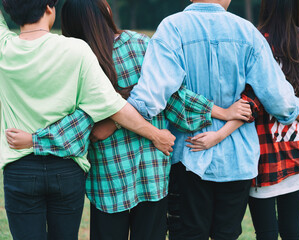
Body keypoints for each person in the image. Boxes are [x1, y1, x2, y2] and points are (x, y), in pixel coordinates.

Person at [3, 0, 251, 239]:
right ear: (108, 10)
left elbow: (86, 124)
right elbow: (174, 96)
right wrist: (221, 112)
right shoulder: (141, 44)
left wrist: (37, 140)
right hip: (152, 170)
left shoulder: (76, 57)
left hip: (108, 177)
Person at [125, 0, 299, 239]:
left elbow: (151, 96)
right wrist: (296, 110)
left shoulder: (172, 28)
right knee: (227, 234)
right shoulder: (247, 31)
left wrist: (121, 114)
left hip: (188, 153)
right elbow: (279, 100)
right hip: (237, 158)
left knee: (188, 233)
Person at [0, 0, 175, 239]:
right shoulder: (76, 50)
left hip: (19, 166)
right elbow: (113, 106)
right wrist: (156, 134)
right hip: (66, 167)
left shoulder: (3, 47)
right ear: (50, 8)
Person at [187, 0, 299, 239]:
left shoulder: (255, 40)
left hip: (263, 158)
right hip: (297, 153)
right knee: (293, 231)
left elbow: (250, 105)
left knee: (266, 233)